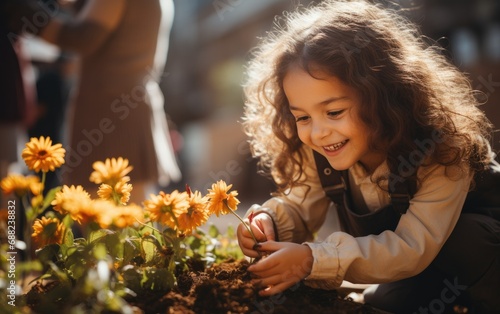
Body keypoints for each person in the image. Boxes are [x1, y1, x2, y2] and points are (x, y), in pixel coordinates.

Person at [236, 1, 499, 313]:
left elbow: (411, 249)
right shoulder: (324, 149)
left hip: (481, 259)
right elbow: (299, 205)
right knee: (382, 303)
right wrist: (271, 223)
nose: (318, 132)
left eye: (333, 112)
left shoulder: (443, 150)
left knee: (467, 240)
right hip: (425, 270)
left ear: (382, 95)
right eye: (302, 117)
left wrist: (313, 259)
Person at [24, 0, 181, 202]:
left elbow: (82, 37)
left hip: (110, 117)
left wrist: (25, 13)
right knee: (132, 217)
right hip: (130, 109)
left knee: (109, 219)